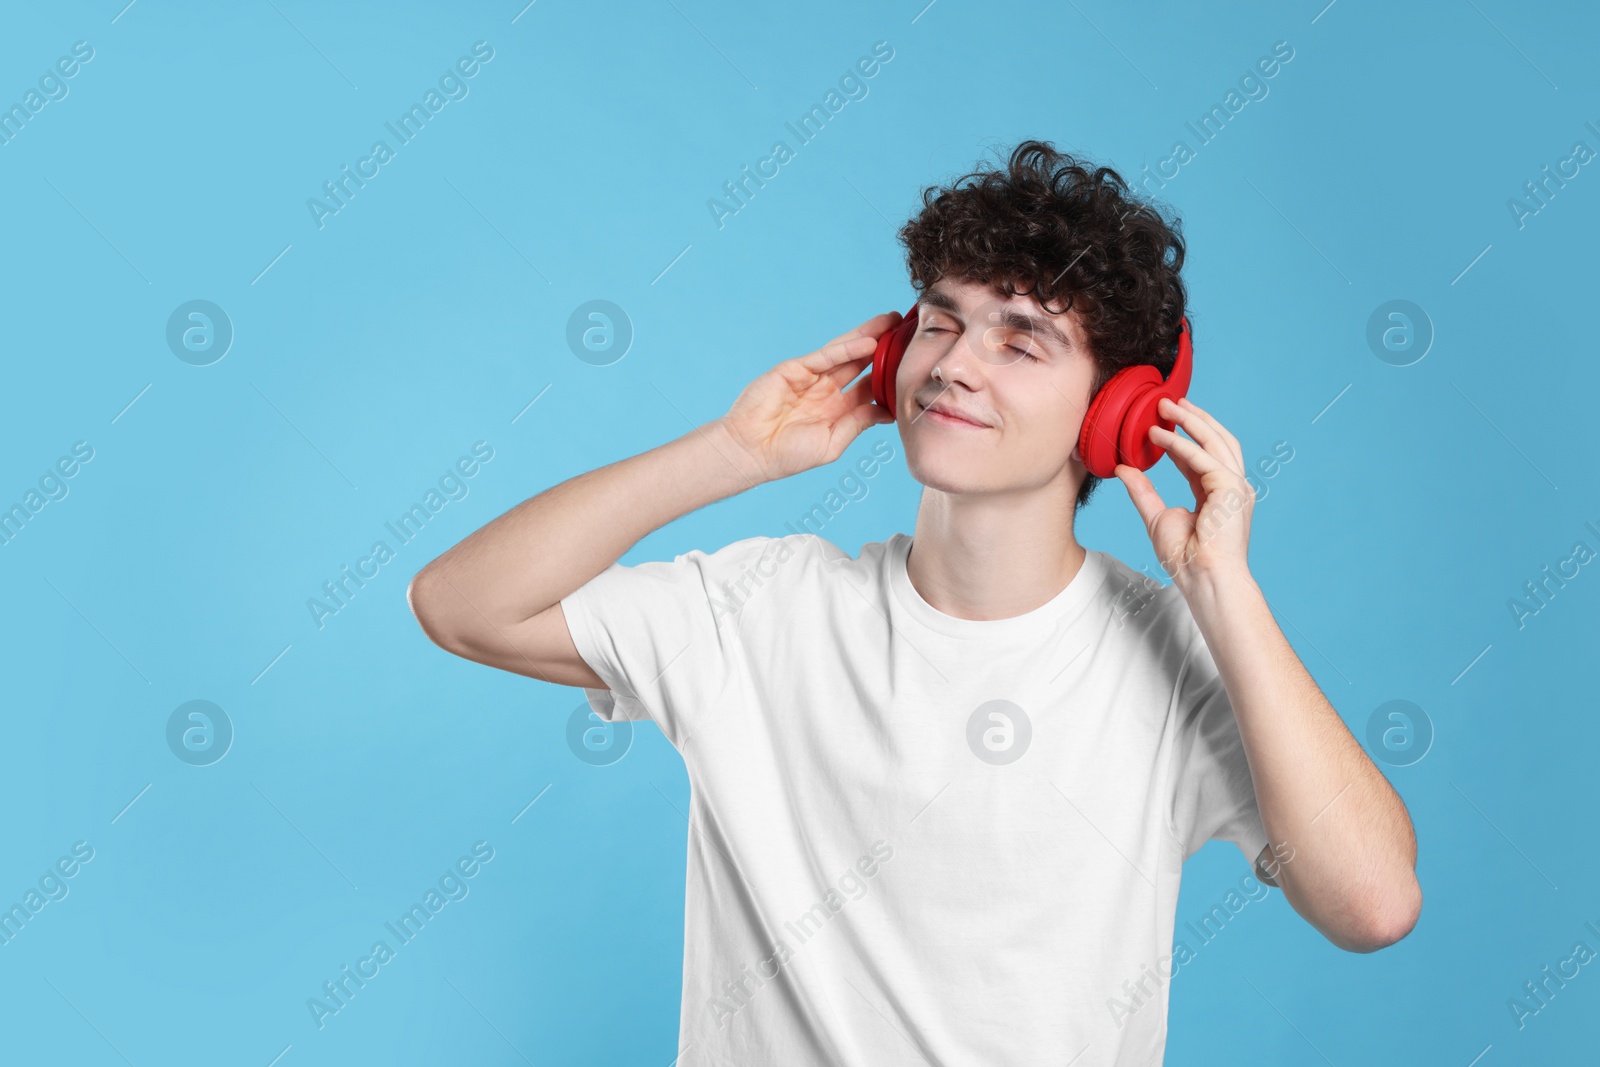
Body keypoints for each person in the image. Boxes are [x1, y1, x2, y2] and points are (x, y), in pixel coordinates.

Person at [407, 140, 1421, 1066]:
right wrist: (731, 453)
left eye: (1019, 343)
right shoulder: (765, 608)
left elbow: (1371, 902)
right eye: (939, 322)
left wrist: (1225, 596)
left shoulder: (1172, 656)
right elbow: (460, 603)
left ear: (1120, 415)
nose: (952, 364)